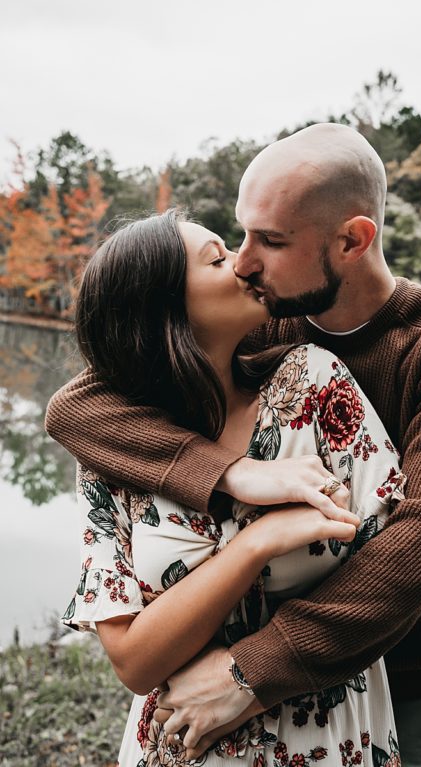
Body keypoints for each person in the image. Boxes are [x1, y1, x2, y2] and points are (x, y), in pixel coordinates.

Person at [47, 123, 421, 766]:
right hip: (197, 689)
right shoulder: (261, 316)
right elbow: (76, 407)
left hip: (396, 674)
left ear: (352, 240)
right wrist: (231, 474)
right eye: (239, 236)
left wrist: (250, 671)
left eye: (271, 240)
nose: (243, 260)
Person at [63, 209, 403, 765]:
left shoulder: (314, 387)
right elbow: (134, 664)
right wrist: (254, 544)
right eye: (218, 259)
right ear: (163, 307)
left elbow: (394, 561)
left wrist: (251, 672)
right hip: (182, 742)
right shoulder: (114, 451)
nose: (246, 266)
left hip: (327, 733)